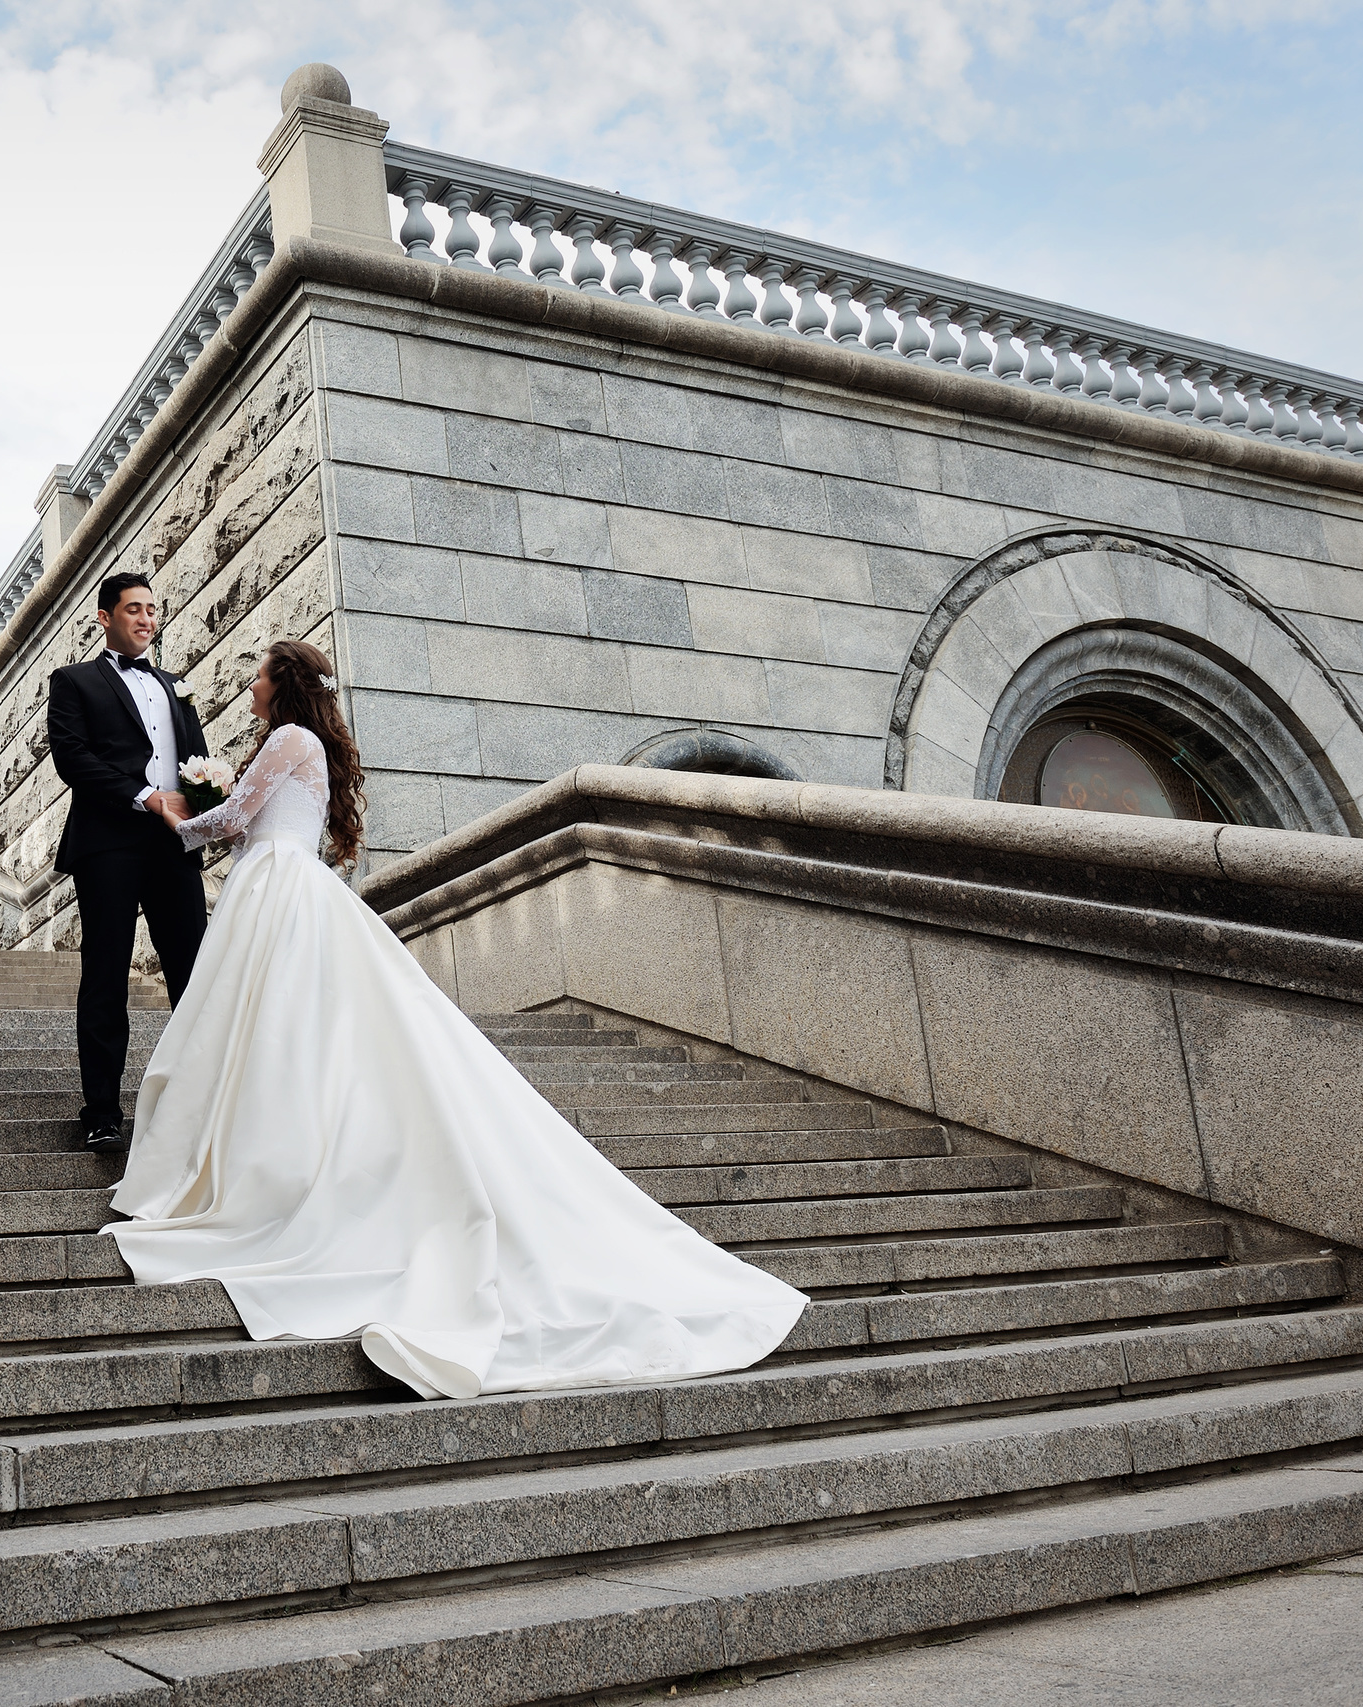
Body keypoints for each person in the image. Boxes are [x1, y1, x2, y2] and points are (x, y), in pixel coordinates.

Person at [112, 637, 807, 1398]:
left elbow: (240, 817)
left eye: (257, 675)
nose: (248, 685)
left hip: (274, 889)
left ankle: (263, 1167)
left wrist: (176, 810)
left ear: (282, 685)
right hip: (293, 887)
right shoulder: (310, 741)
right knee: (296, 1037)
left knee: (275, 1036)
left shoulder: (286, 737)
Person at [45, 572, 212, 1155]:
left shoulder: (176, 686)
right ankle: (101, 1111)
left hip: (173, 846)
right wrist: (142, 796)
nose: (146, 619)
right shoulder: (72, 682)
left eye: (152, 609)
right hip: (110, 842)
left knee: (195, 975)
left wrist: (204, 809)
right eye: (134, 609)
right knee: (107, 974)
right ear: (105, 617)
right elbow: (71, 757)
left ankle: (203, 1101)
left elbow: (197, 760)